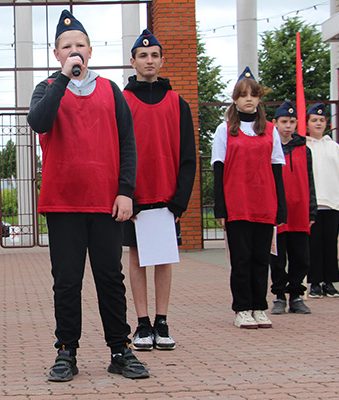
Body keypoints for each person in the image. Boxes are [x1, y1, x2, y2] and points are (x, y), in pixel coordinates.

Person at [27, 10, 148, 381]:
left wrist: (125, 191)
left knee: (110, 279)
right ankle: (66, 351)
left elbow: (127, 143)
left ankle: (120, 349)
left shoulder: (111, 90)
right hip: (62, 203)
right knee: (67, 281)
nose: (74, 51)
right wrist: (64, 79)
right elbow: (39, 122)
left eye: (80, 45)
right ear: (57, 54)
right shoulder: (47, 88)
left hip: (105, 203)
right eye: (67, 47)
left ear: (91, 51)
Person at [122, 30, 196, 351]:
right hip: (135, 199)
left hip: (167, 200)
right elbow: (115, 151)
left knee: (164, 258)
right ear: (133, 61)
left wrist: (180, 202)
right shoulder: (122, 102)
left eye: (154, 55)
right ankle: (142, 323)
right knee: (137, 257)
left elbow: (189, 156)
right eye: (143, 55)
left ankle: (162, 321)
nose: (149, 60)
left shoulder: (177, 103)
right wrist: (125, 194)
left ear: (162, 61)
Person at [211, 67, 287, 329]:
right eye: (243, 95)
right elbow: (218, 170)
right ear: (235, 99)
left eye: (253, 95)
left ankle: (259, 307)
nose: (248, 99)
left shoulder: (270, 131)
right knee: (241, 259)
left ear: (259, 99)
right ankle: (242, 308)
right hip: (237, 204)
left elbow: (277, 170)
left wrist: (281, 207)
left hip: (264, 204)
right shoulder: (224, 130)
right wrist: (220, 208)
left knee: (261, 259)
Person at [268, 101, 316, 315]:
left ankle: (296, 295)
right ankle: (279, 295)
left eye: (292, 122)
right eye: (284, 121)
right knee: (277, 258)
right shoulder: (270, 147)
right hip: (278, 212)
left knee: (301, 257)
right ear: (275, 123)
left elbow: (310, 181)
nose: (288, 126)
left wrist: (312, 210)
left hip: (300, 211)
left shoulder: (304, 150)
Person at [306, 103, 339, 298]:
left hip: (333, 204)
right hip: (313, 206)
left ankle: (329, 282)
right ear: (307, 123)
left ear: (327, 123)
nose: (318, 123)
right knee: (313, 245)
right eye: (314, 120)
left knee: (330, 243)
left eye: (321, 120)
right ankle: (314, 283)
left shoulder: (335, 148)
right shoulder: (304, 147)